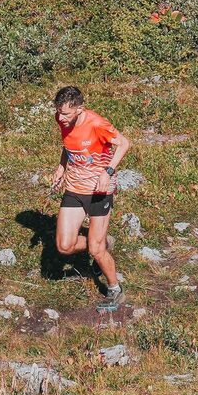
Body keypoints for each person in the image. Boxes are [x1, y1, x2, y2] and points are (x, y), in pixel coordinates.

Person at [48, 85, 131, 312]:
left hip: (99, 190)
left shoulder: (96, 123)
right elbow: (69, 147)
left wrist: (109, 171)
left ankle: (115, 289)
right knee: (64, 246)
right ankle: (103, 242)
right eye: (58, 112)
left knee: (95, 250)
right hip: (74, 188)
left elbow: (125, 143)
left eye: (66, 113)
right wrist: (61, 167)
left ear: (79, 109)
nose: (61, 118)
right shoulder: (62, 119)